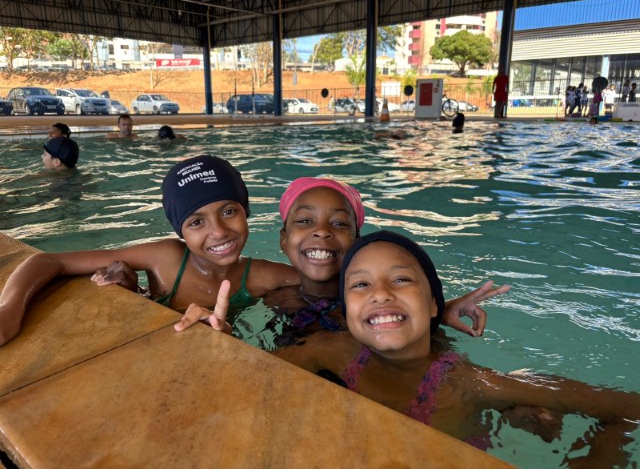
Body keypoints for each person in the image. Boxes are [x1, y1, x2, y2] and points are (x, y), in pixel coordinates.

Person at [272, 230, 640, 461]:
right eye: (361, 285)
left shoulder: (466, 384)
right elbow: (259, 376)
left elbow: (628, 407)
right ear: (347, 310)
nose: (380, 293)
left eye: (401, 280)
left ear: (433, 304)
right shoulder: (330, 350)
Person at [0, 155, 299, 346]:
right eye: (196, 222)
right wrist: (9, 310)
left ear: (246, 211)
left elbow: (321, 287)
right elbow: (50, 260)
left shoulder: (266, 275)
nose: (219, 231)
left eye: (229, 211)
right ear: (180, 231)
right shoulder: (166, 258)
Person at [177, 177, 509, 339]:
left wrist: (432, 312)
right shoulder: (274, 296)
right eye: (305, 221)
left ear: (357, 243)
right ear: (283, 240)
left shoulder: (370, 304)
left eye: (338, 224)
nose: (322, 232)